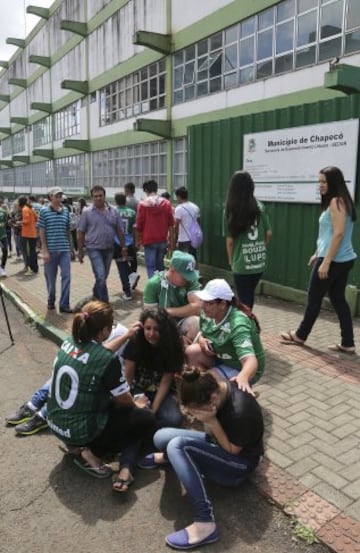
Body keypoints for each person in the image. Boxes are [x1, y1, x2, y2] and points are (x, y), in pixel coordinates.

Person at [141, 366, 264, 550]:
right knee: (161, 436)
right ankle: (176, 458)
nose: (192, 415)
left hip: (239, 465)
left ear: (213, 399)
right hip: (218, 442)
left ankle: (205, 522)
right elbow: (210, 436)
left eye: (194, 411)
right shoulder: (214, 390)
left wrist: (211, 421)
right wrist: (208, 420)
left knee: (177, 445)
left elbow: (231, 450)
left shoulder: (240, 412)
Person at [47, 300, 156, 488]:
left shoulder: (68, 342)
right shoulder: (108, 360)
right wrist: (137, 405)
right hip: (79, 431)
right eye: (111, 327)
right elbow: (123, 399)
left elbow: (97, 353)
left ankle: (75, 444)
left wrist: (127, 336)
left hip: (56, 425)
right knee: (146, 418)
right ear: (105, 331)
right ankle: (92, 452)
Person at [280, 166, 357, 353]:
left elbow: (338, 233)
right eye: (319, 181)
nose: (320, 185)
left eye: (324, 181)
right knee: (338, 299)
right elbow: (329, 234)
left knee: (314, 298)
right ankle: (348, 343)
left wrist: (326, 261)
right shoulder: (341, 201)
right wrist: (317, 252)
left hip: (335, 260)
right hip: (343, 258)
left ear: (334, 182)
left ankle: (300, 335)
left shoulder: (336, 202)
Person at [5, 322, 130, 436]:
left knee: (74, 385)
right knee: (62, 375)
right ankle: (32, 406)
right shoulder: (94, 332)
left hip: (100, 381)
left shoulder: (119, 332)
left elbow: (103, 353)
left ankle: (42, 416)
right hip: (92, 374)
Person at [186, 279, 265, 395]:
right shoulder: (207, 314)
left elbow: (250, 361)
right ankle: (219, 390)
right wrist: (201, 340)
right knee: (192, 352)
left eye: (209, 303)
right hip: (222, 358)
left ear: (222, 304)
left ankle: (234, 391)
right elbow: (203, 333)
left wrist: (243, 377)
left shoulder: (238, 323)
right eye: (203, 301)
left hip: (240, 367)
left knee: (205, 383)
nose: (203, 306)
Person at [123, 308, 185, 427]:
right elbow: (128, 377)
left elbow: (165, 382)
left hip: (160, 390)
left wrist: (152, 412)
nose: (151, 334)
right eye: (148, 328)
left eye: (157, 329)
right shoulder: (136, 341)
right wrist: (132, 401)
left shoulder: (173, 346)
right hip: (137, 388)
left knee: (174, 419)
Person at [224, 170, 272, 309]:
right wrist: (261, 246)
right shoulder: (260, 206)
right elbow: (268, 232)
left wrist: (231, 260)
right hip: (259, 260)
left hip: (242, 263)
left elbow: (230, 240)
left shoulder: (230, 209)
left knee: (244, 300)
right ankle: (249, 324)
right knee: (249, 295)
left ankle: (247, 327)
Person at [77, 185, 126, 303]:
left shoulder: (114, 211)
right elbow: (81, 232)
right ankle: (104, 303)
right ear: (92, 198)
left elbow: (119, 230)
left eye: (100, 196)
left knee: (103, 277)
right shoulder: (87, 212)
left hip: (109, 248)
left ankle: (95, 293)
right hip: (94, 248)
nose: (98, 198)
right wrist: (80, 251)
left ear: (104, 196)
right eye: (95, 196)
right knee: (100, 275)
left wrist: (123, 247)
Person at [143, 250, 202, 341]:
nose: (188, 279)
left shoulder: (191, 281)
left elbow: (197, 307)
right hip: (161, 326)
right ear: (172, 270)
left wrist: (167, 311)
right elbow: (150, 318)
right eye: (184, 276)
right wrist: (177, 337)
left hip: (182, 322)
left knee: (195, 323)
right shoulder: (153, 284)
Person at [38, 187, 72, 313]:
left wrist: (71, 249)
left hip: (64, 250)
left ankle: (64, 304)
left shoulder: (66, 211)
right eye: (56, 195)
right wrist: (44, 250)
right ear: (50, 197)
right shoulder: (44, 211)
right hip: (50, 251)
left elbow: (68, 231)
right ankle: (51, 300)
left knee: (67, 276)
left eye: (60, 195)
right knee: (51, 280)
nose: (59, 197)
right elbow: (41, 231)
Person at [135, 179, 175, 277]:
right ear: (156, 189)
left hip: (149, 240)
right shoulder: (167, 203)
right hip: (162, 240)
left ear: (146, 190)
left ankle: (153, 289)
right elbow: (171, 224)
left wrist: (137, 241)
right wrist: (171, 241)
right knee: (160, 266)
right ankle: (161, 289)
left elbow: (139, 225)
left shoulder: (142, 204)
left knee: (151, 267)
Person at [114, 192, 139, 300]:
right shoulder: (132, 212)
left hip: (117, 241)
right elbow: (135, 229)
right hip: (129, 240)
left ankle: (127, 291)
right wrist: (136, 241)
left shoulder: (114, 212)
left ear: (115, 201)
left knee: (121, 267)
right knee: (129, 262)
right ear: (125, 200)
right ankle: (132, 274)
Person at [174, 186, 201, 258]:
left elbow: (176, 227)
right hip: (194, 239)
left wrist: (174, 240)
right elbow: (198, 223)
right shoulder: (195, 207)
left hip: (183, 240)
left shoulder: (179, 209)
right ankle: (196, 269)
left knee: (184, 261)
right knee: (193, 259)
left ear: (179, 196)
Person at [18, 196, 39, 275]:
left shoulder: (25, 209)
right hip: (33, 233)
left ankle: (30, 269)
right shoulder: (31, 209)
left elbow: (26, 220)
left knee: (27, 252)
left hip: (26, 234)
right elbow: (37, 218)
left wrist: (20, 222)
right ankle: (35, 268)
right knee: (33, 252)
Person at [0, 195, 9, 277]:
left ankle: (2, 267)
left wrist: (5, 224)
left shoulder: (4, 211)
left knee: (5, 251)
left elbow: (7, 221)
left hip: (3, 235)